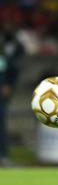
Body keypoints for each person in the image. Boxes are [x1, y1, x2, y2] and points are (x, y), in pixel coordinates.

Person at [0, 27, 22, 167]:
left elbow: (14, 71)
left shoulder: (4, 58)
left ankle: (3, 156)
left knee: (1, 124)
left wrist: (9, 85)